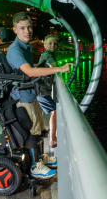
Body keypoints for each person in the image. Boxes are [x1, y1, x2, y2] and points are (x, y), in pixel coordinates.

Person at [6, 12, 76, 179]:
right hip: (23, 96)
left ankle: (39, 158)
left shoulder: (25, 47)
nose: (27, 31)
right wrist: (59, 69)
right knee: (33, 131)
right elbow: (30, 71)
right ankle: (35, 167)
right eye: (22, 28)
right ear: (15, 30)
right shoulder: (15, 50)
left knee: (39, 128)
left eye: (29, 27)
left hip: (30, 93)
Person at [36, 34, 60, 148]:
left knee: (41, 113)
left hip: (41, 89)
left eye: (55, 43)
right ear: (44, 44)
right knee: (55, 111)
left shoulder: (46, 54)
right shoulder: (48, 54)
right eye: (50, 43)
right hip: (41, 90)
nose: (53, 45)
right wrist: (61, 69)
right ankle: (52, 139)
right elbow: (55, 67)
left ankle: (42, 136)